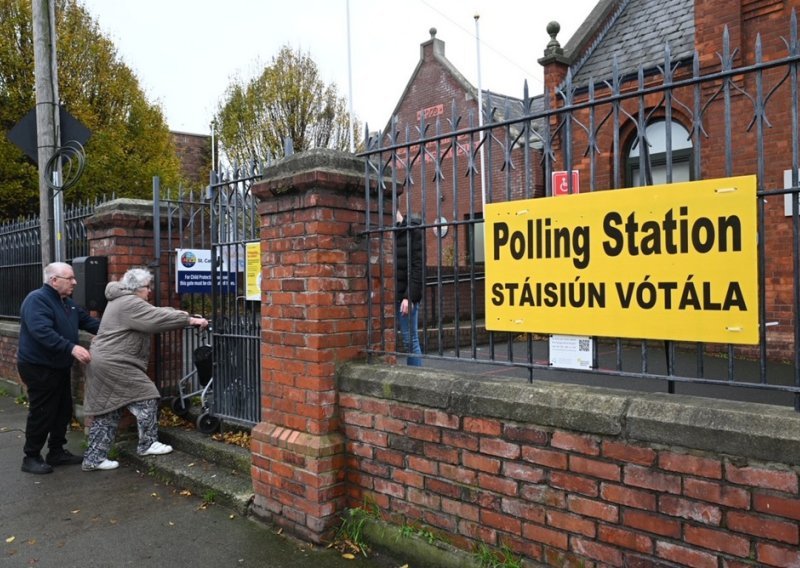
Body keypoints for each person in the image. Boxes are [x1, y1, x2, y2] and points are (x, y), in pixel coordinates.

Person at [81, 268, 208, 471]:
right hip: (115, 362)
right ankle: (148, 444)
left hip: (105, 361)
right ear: (137, 288)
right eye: (147, 287)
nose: (149, 291)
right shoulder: (129, 302)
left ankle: (94, 458)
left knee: (109, 411)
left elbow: (154, 312)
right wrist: (190, 320)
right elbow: (154, 319)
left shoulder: (122, 300)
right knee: (147, 396)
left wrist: (183, 314)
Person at [17, 262, 101, 474]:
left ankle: (56, 452)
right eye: (69, 278)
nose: (75, 281)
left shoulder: (68, 303)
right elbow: (42, 332)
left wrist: (118, 329)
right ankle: (31, 457)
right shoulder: (37, 300)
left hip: (59, 366)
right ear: (54, 281)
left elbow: (91, 324)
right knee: (43, 412)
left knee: (62, 410)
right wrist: (71, 348)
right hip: (38, 367)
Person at [395, 210, 424, 366]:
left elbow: (418, 267)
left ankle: (416, 379)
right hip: (388, 296)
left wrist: (409, 297)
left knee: (410, 341)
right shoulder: (387, 233)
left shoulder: (413, 230)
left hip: (405, 297)